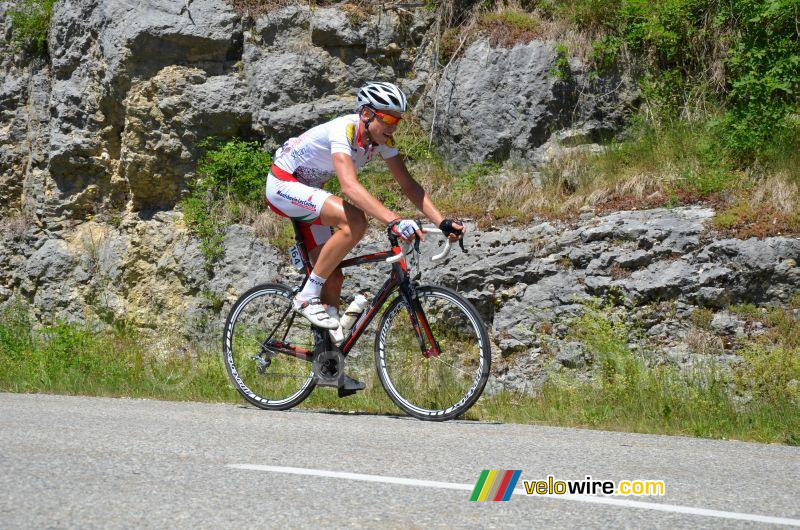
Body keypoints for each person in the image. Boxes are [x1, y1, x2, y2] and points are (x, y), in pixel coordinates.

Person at [265, 82, 465, 387]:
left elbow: (408, 184)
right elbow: (349, 187)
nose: (393, 128)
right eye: (388, 120)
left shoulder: (378, 141)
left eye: (397, 121)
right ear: (367, 114)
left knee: (332, 275)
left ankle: (327, 364)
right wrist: (394, 220)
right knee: (356, 221)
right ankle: (306, 298)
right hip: (283, 184)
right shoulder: (343, 130)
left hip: (307, 189)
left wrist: (441, 221)